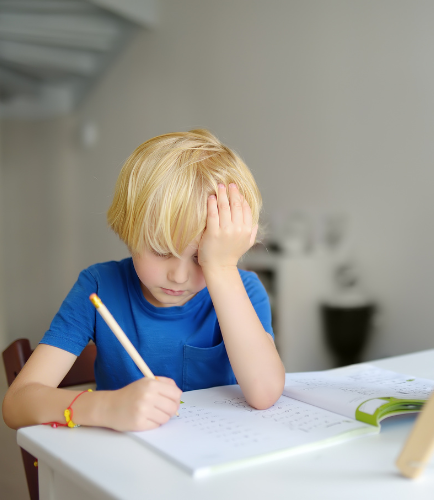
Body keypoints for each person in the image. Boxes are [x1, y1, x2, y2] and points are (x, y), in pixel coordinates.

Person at [2, 129, 285, 431]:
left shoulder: (244, 290)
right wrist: (104, 407)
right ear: (130, 231)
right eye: (162, 251)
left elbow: (264, 393)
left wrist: (222, 269)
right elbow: (17, 404)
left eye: (201, 257)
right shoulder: (99, 287)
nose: (178, 276)